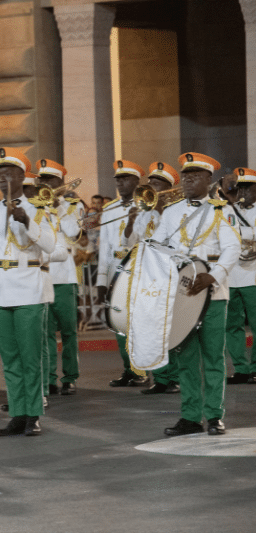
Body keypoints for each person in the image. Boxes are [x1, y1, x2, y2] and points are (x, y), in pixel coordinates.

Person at [150, 152, 239, 436]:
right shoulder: (171, 212)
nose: (187, 181)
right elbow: (157, 246)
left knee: (213, 357)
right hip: (183, 293)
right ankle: (190, 416)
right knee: (186, 357)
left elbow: (232, 248)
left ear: (208, 180)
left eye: (195, 176)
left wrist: (214, 275)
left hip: (213, 292)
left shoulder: (221, 210)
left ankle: (214, 416)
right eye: (185, 176)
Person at [0, 148, 56, 436]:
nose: (2, 179)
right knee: (9, 358)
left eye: (9, 174)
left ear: (23, 177)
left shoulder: (39, 210)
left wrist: (27, 221)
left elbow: (51, 246)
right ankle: (17, 413)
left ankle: (33, 414)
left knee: (30, 356)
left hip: (28, 288)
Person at [129, 162, 183, 395]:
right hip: (149, 274)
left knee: (171, 326)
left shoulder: (177, 210)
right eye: (150, 182)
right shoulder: (144, 212)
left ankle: (175, 377)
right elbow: (132, 242)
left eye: (157, 184)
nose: (152, 187)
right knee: (151, 323)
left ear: (169, 188)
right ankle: (160, 378)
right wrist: (132, 220)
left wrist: (161, 210)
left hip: (171, 272)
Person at [96, 160, 148, 387]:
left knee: (139, 322)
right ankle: (129, 369)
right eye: (118, 179)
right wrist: (101, 280)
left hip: (139, 268)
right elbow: (104, 248)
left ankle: (141, 370)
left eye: (125, 178)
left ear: (137, 181)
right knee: (118, 322)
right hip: (116, 271)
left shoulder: (147, 206)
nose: (120, 183)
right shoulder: (109, 209)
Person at [37, 159, 83, 396]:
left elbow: (74, 231)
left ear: (61, 182)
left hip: (64, 276)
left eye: (50, 180)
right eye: (42, 179)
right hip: (42, 274)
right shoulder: (35, 205)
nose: (45, 184)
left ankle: (70, 376)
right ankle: (48, 378)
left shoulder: (73, 205)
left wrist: (59, 207)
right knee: (45, 332)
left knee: (68, 331)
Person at [224, 167, 256, 384]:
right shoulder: (228, 210)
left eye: (247, 188)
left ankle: (255, 368)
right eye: (239, 188)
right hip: (232, 275)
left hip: (253, 276)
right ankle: (241, 369)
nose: (243, 192)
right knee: (232, 325)